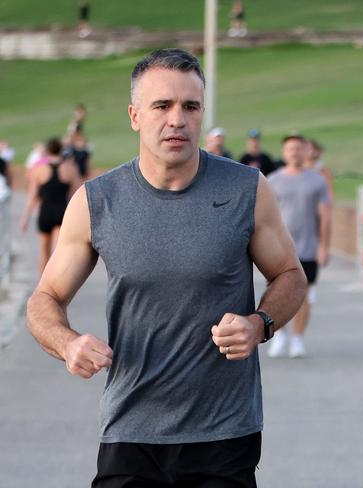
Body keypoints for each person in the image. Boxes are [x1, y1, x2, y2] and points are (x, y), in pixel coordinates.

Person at [25, 48, 307, 487]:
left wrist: (259, 324)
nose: (177, 119)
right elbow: (45, 300)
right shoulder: (97, 201)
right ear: (135, 115)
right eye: (162, 105)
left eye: (190, 106)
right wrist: (67, 344)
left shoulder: (246, 189)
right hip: (130, 431)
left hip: (224, 435)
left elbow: (291, 275)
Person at [266, 134, 332, 358]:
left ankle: (297, 338)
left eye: (298, 148)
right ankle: (280, 335)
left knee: (304, 295)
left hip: (308, 247)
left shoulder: (317, 181)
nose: (294, 152)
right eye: (290, 149)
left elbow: (325, 216)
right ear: (284, 153)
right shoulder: (272, 181)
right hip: (278, 249)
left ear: (306, 152)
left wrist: (324, 246)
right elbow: (265, 217)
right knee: (276, 293)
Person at [19, 137, 82, 274]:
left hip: (45, 212)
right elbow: (78, 195)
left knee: (44, 252)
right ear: (61, 150)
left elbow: (32, 196)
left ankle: (43, 290)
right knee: (58, 253)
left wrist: (25, 220)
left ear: (47, 150)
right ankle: (57, 287)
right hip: (62, 212)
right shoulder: (70, 168)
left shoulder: (38, 169)